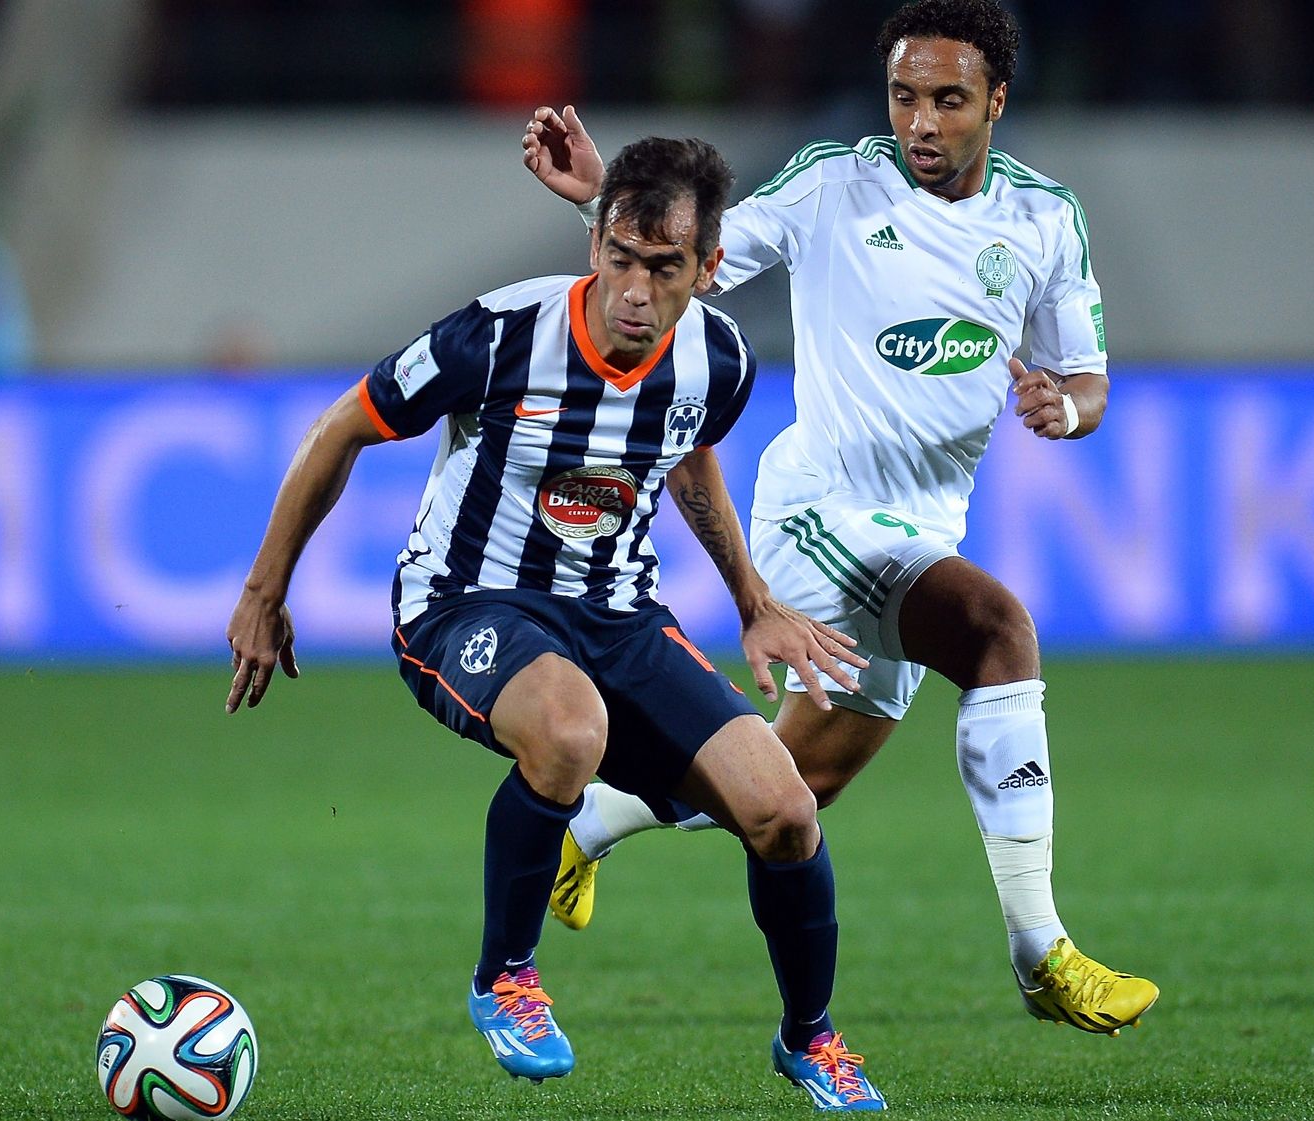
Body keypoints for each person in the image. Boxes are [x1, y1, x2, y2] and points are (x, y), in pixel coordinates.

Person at [521, 0, 1159, 1036]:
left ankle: (583, 824)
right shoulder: (834, 184)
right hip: (816, 511)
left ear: (996, 100)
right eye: (906, 95)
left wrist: (1067, 406)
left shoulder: (1043, 219)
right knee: (1000, 632)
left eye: (949, 99)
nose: (921, 120)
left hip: (920, 529)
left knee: (792, 785)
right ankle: (1044, 951)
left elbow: (1086, 374)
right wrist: (605, 194)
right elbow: (702, 257)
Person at [225, 137, 887, 1112]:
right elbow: (345, 425)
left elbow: (687, 452)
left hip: (618, 615)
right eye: (619, 255)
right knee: (573, 729)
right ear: (595, 246)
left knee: (785, 810)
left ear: (708, 271)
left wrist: (753, 601)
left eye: (663, 268)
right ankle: (507, 976)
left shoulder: (721, 359)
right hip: (466, 601)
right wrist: (261, 592)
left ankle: (809, 1037)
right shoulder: (496, 336)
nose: (633, 287)